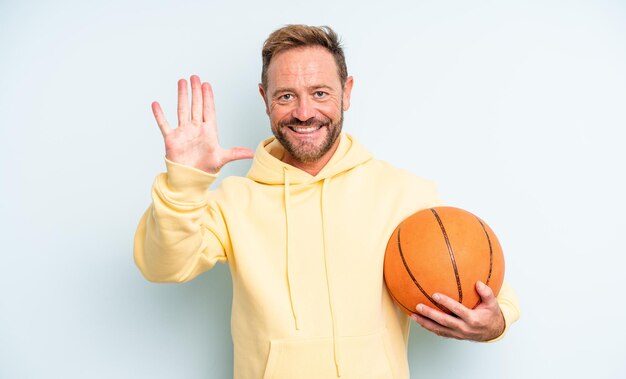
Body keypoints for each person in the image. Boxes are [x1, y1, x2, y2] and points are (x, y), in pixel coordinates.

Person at [134, 24, 520, 379]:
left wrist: (495, 321)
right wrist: (184, 182)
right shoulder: (232, 203)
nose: (304, 113)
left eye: (320, 93)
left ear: (347, 92)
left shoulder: (405, 192)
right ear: (264, 98)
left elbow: (486, 288)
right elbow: (163, 265)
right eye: (286, 96)